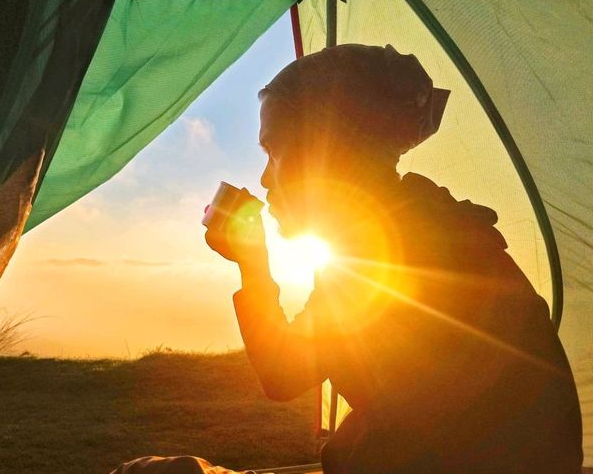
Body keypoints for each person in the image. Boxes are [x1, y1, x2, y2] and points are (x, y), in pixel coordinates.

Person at [204, 44, 583, 473]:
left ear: (335, 148)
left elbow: (282, 373)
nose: (265, 177)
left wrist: (252, 262)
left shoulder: (386, 253)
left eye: (276, 150)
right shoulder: (422, 227)